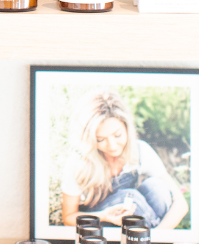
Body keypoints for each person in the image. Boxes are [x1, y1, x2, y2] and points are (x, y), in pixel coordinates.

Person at [59, 88, 189, 230]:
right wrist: (103, 216)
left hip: (134, 217)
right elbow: (68, 218)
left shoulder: (140, 150)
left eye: (118, 135)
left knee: (157, 188)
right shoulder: (78, 162)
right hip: (101, 224)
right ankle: (145, 238)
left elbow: (181, 203)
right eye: (101, 139)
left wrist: (158, 234)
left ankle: (147, 237)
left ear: (127, 128)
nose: (112, 146)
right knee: (129, 197)